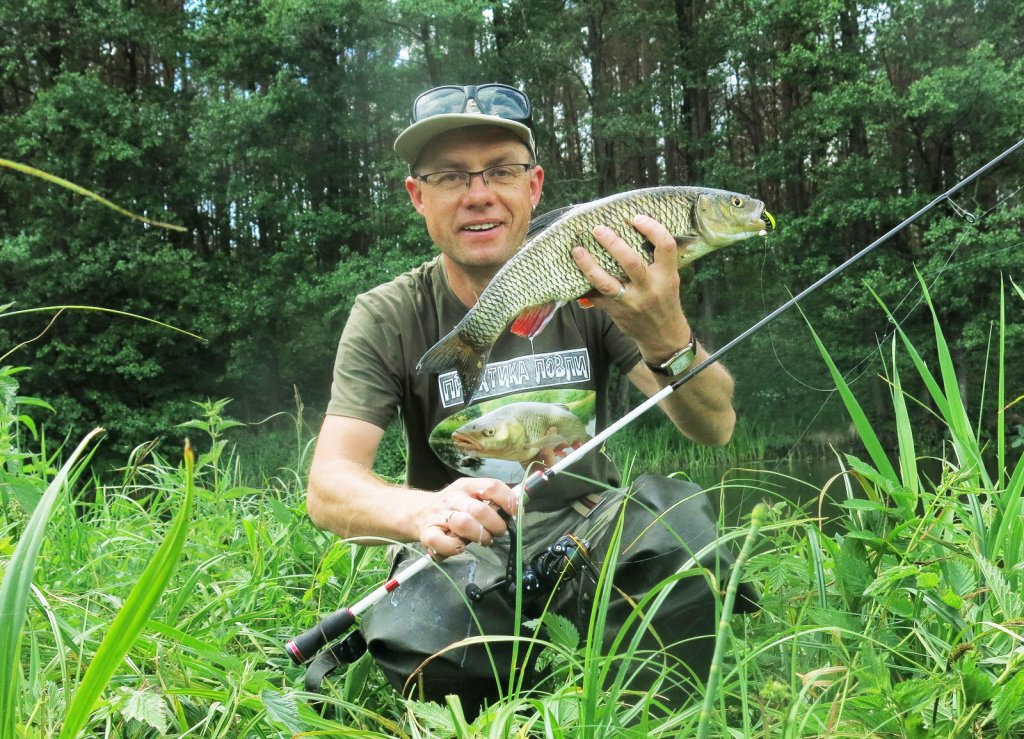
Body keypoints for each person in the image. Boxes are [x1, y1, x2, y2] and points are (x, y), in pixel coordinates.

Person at [306, 82, 753, 714]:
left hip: (590, 531)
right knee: (422, 636)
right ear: (418, 197)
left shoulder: (595, 280)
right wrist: (422, 514)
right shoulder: (388, 313)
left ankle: (658, 717)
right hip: (464, 549)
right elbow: (329, 485)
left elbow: (715, 427)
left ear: (534, 187)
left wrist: (667, 333)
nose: (479, 194)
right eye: (451, 176)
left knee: (678, 529)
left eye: (501, 171)